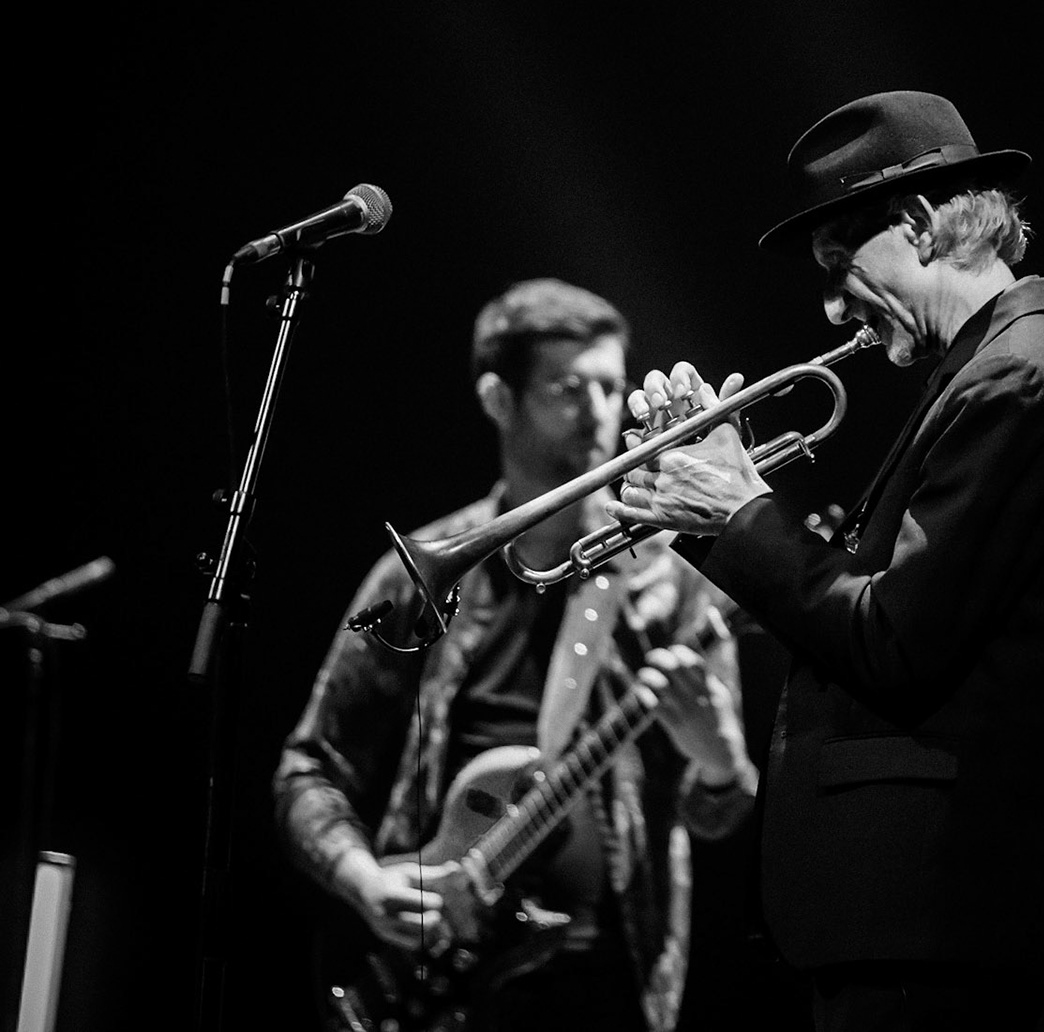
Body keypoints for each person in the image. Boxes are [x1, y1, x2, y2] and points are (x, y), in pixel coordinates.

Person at [606, 90, 1044, 1031]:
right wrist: (708, 502)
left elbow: (891, 641)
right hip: (902, 923)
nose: (831, 302)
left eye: (842, 265)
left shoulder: (1022, 381)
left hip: (932, 924)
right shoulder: (988, 372)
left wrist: (742, 511)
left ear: (920, 222)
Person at [273, 278, 758, 1032]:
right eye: (569, 389)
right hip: (440, 982)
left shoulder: (671, 575)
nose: (601, 413)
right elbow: (311, 769)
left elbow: (713, 814)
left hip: (611, 987)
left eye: (611, 386)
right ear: (499, 399)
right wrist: (364, 881)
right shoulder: (422, 574)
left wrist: (724, 764)